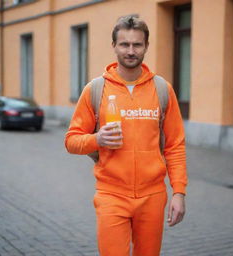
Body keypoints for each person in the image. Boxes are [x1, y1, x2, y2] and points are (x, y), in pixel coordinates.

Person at [65, 15, 188, 256]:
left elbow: (175, 146)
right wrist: (96, 140)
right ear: (114, 46)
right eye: (124, 44)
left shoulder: (162, 89)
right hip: (111, 194)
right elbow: (71, 141)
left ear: (146, 46)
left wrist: (179, 192)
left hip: (153, 196)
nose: (130, 51)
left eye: (137, 44)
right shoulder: (95, 90)